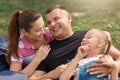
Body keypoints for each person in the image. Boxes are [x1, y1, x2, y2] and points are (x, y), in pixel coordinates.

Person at [30, 5, 120, 80]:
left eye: (56, 19)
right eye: (49, 22)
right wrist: (50, 74)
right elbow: (33, 78)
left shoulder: (88, 36)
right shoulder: (47, 49)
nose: (52, 24)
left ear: (69, 18)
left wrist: (112, 67)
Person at [6, 9, 54, 77]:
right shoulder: (18, 49)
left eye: (43, 26)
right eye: (37, 30)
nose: (43, 32)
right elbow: (15, 77)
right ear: (24, 32)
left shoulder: (50, 34)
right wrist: (37, 58)